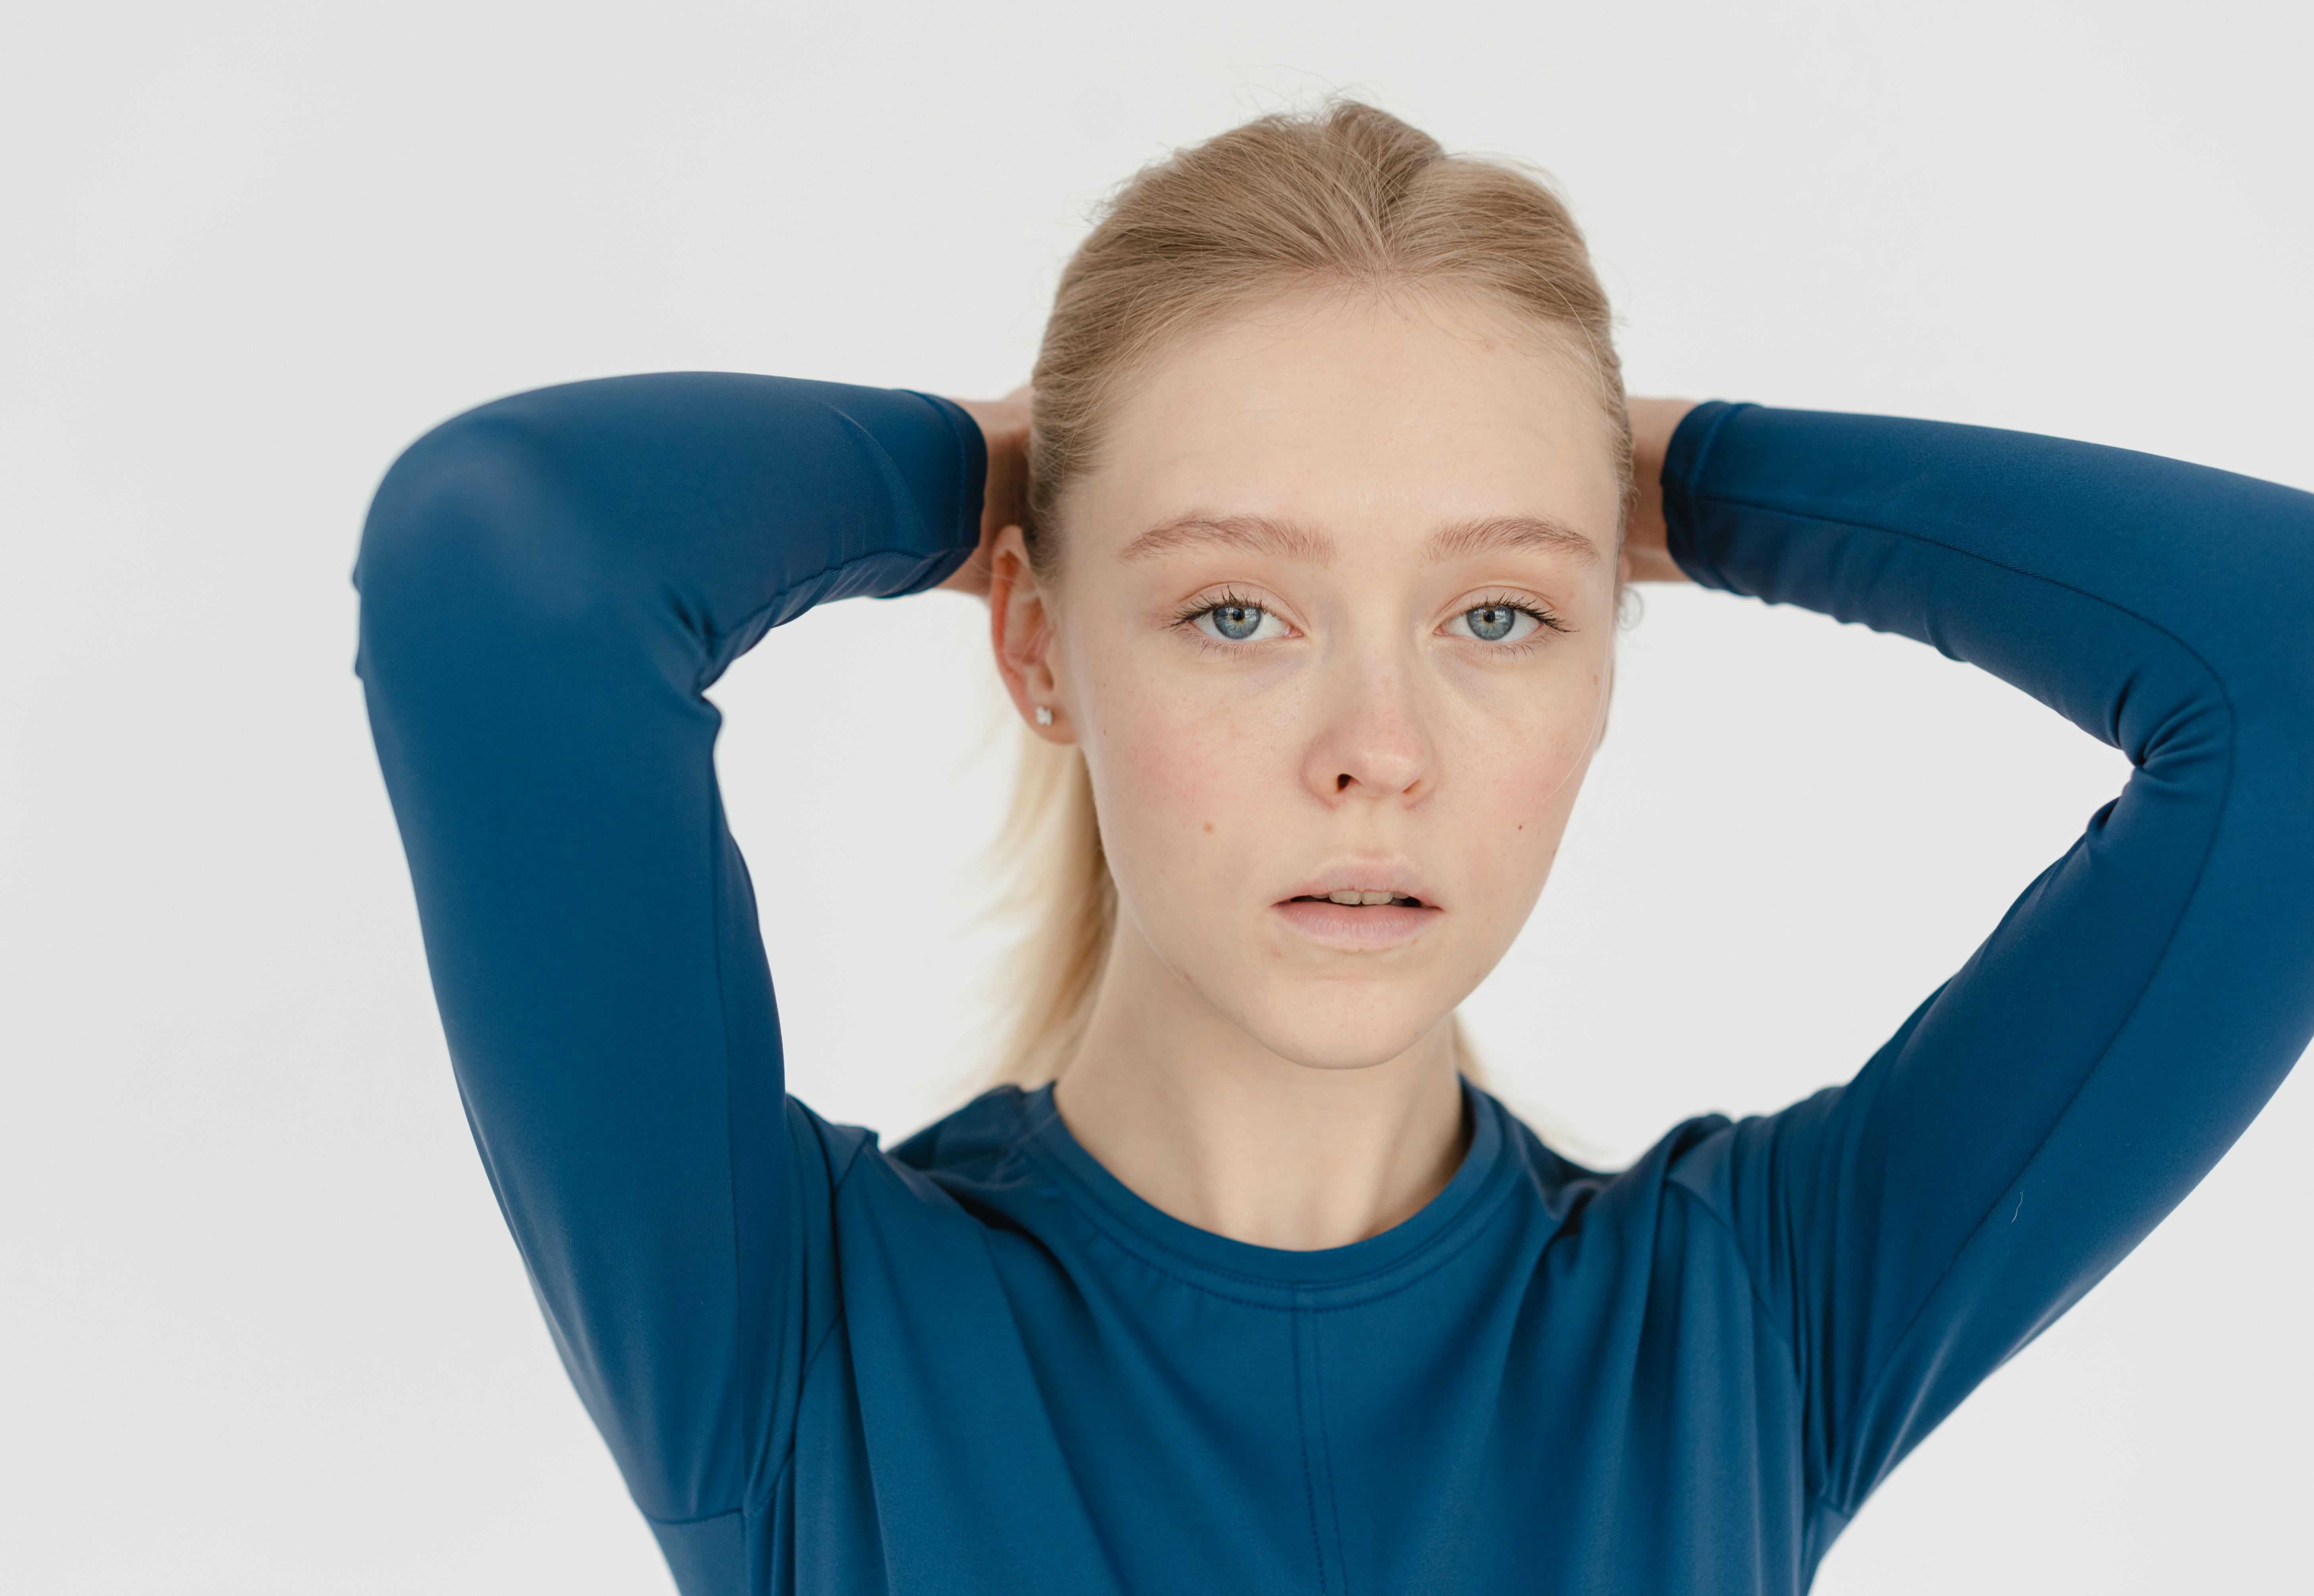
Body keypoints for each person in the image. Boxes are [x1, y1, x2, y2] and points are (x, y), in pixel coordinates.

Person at [354, 101, 2314, 1594]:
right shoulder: (798, 1347)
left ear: (1606, 663)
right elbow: (512, 549)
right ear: (1038, 642)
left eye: (1498, 618)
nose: (1376, 753)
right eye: (1233, 611)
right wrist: (1010, 457)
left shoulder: (1743, 1327)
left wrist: (1656, 475)